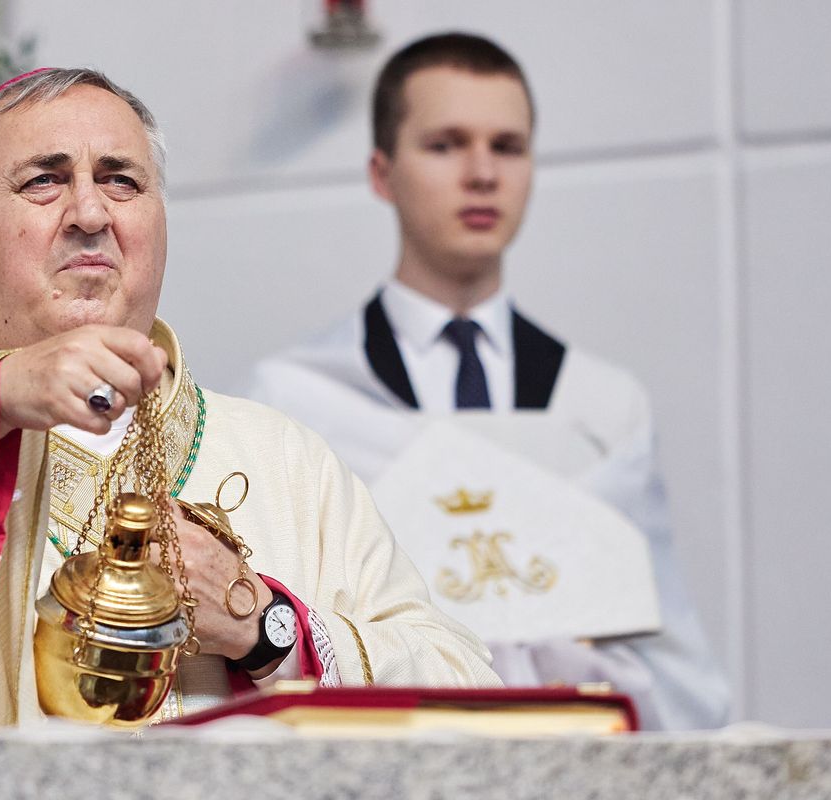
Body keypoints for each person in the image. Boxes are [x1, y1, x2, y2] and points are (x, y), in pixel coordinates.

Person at [0, 67, 499, 728]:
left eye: (120, 180)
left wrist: (266, 628)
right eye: (44, 181)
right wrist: (0, 392)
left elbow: (471, 698)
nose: (90, 213)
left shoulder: (283, 458)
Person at [248, 33, 729, 730]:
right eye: (445, 144)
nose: (482, 173)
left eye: (507, 146)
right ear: (382, 173)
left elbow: (672, 658)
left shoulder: (603, 405)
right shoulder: (294, 399)